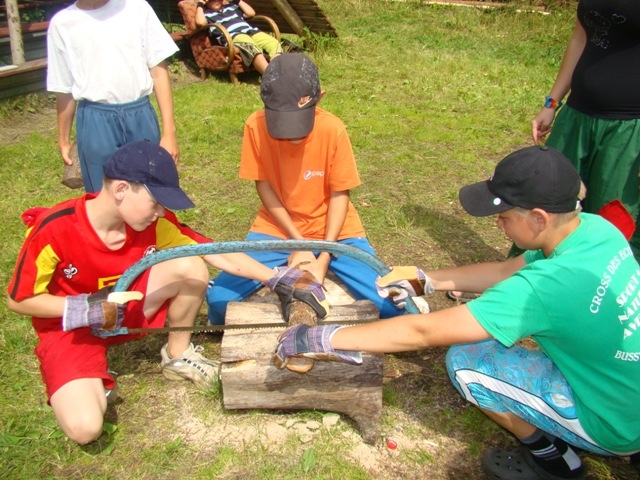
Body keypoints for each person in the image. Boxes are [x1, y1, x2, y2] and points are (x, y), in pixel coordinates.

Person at [273, 146, 640, 480]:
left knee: (467, 363)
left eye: (504, 216)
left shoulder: (543, 288)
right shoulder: (594, 229)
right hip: (627, 389)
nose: (497, 223)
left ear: (539, 218)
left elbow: (423, 333)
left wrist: (325, 336)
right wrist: (426, 280)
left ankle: (554, 458)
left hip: (616, 423)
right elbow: (505, 270)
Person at [6, 140, 327, 446]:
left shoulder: (152, 224)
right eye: (155, 202)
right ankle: (88, 382)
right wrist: (83, 309)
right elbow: (18, 300)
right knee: (85, 428)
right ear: (121, 190)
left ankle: (178, 355)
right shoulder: (54, 229)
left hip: (126, 312)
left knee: (190, 265)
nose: (160, 212)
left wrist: (277, 279)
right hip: (71, 329)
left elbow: (214, 252)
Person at [206, 53, 406, 325]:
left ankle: (341, 270)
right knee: (218, 303)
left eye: (298, 123)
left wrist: (323, 257)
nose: (291, 134)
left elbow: (340, 195)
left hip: (337, 232)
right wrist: (298, 243)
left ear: (318, 98)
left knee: (393, 307)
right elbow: (263, 185)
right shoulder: (255, 125)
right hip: (277, 228)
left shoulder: (333, 129)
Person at [531, 0, 640, 262]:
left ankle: (601, 282)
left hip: (627, 129)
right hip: (576, 117)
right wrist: (552, 103)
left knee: (612, 217)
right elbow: (580, 39)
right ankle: (534, 277)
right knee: (549, 200)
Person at [46, 0, 180, 193]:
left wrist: (169, 132)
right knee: (103, 194)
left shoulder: (137, 8)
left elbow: (158, 70)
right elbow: (64, 88)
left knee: (149, 192)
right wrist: (63, 139)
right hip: (95, 121)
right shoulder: (62, 23)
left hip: (139, 115)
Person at [195, 0, 282, 74]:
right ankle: (271, 77)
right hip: (233, 36)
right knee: (251, 47)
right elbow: (200, 23)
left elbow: (251, 13)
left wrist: (237, 0)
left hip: (251, 32)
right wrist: (200, 4)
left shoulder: (232, 7)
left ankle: (278, 74)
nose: (216, 1)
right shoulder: (206, 14)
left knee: (274, 43)